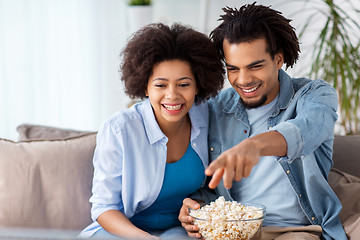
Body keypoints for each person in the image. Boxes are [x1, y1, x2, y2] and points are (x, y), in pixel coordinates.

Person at [179, 3, 348, 240]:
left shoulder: (313, 95)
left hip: (296, 230)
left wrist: (254, 145)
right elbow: (208, 182)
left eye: (255, 66)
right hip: (232, 231)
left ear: (278, 60)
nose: (244, 80)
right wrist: (194, 205)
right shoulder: (216, 108)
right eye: (233, 69)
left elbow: (308, 128)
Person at [79, 23, 224, 239]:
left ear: (198, 86)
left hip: (178, 230)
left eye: (183, 84)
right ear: (145, 87)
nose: (172, 95)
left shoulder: (206, 115)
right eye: (160, 85)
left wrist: (196, 207)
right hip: (122, 231)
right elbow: (103, 208)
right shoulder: (119, 130)